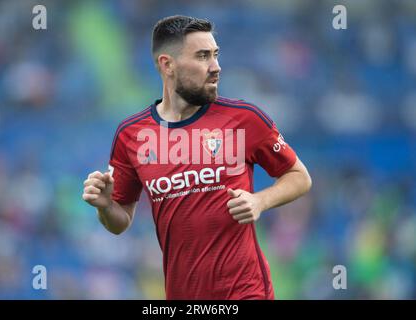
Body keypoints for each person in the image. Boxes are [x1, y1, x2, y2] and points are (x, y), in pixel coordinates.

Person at [82, 15, 312, 300]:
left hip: (245, 291)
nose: (215, 67)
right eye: (203, 56)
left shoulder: (244, 118)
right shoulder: (132, 134)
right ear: (167, 65)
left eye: (215, 55)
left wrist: (259, 201)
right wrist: (105, 207)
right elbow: (120, 221)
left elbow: (299, 177)